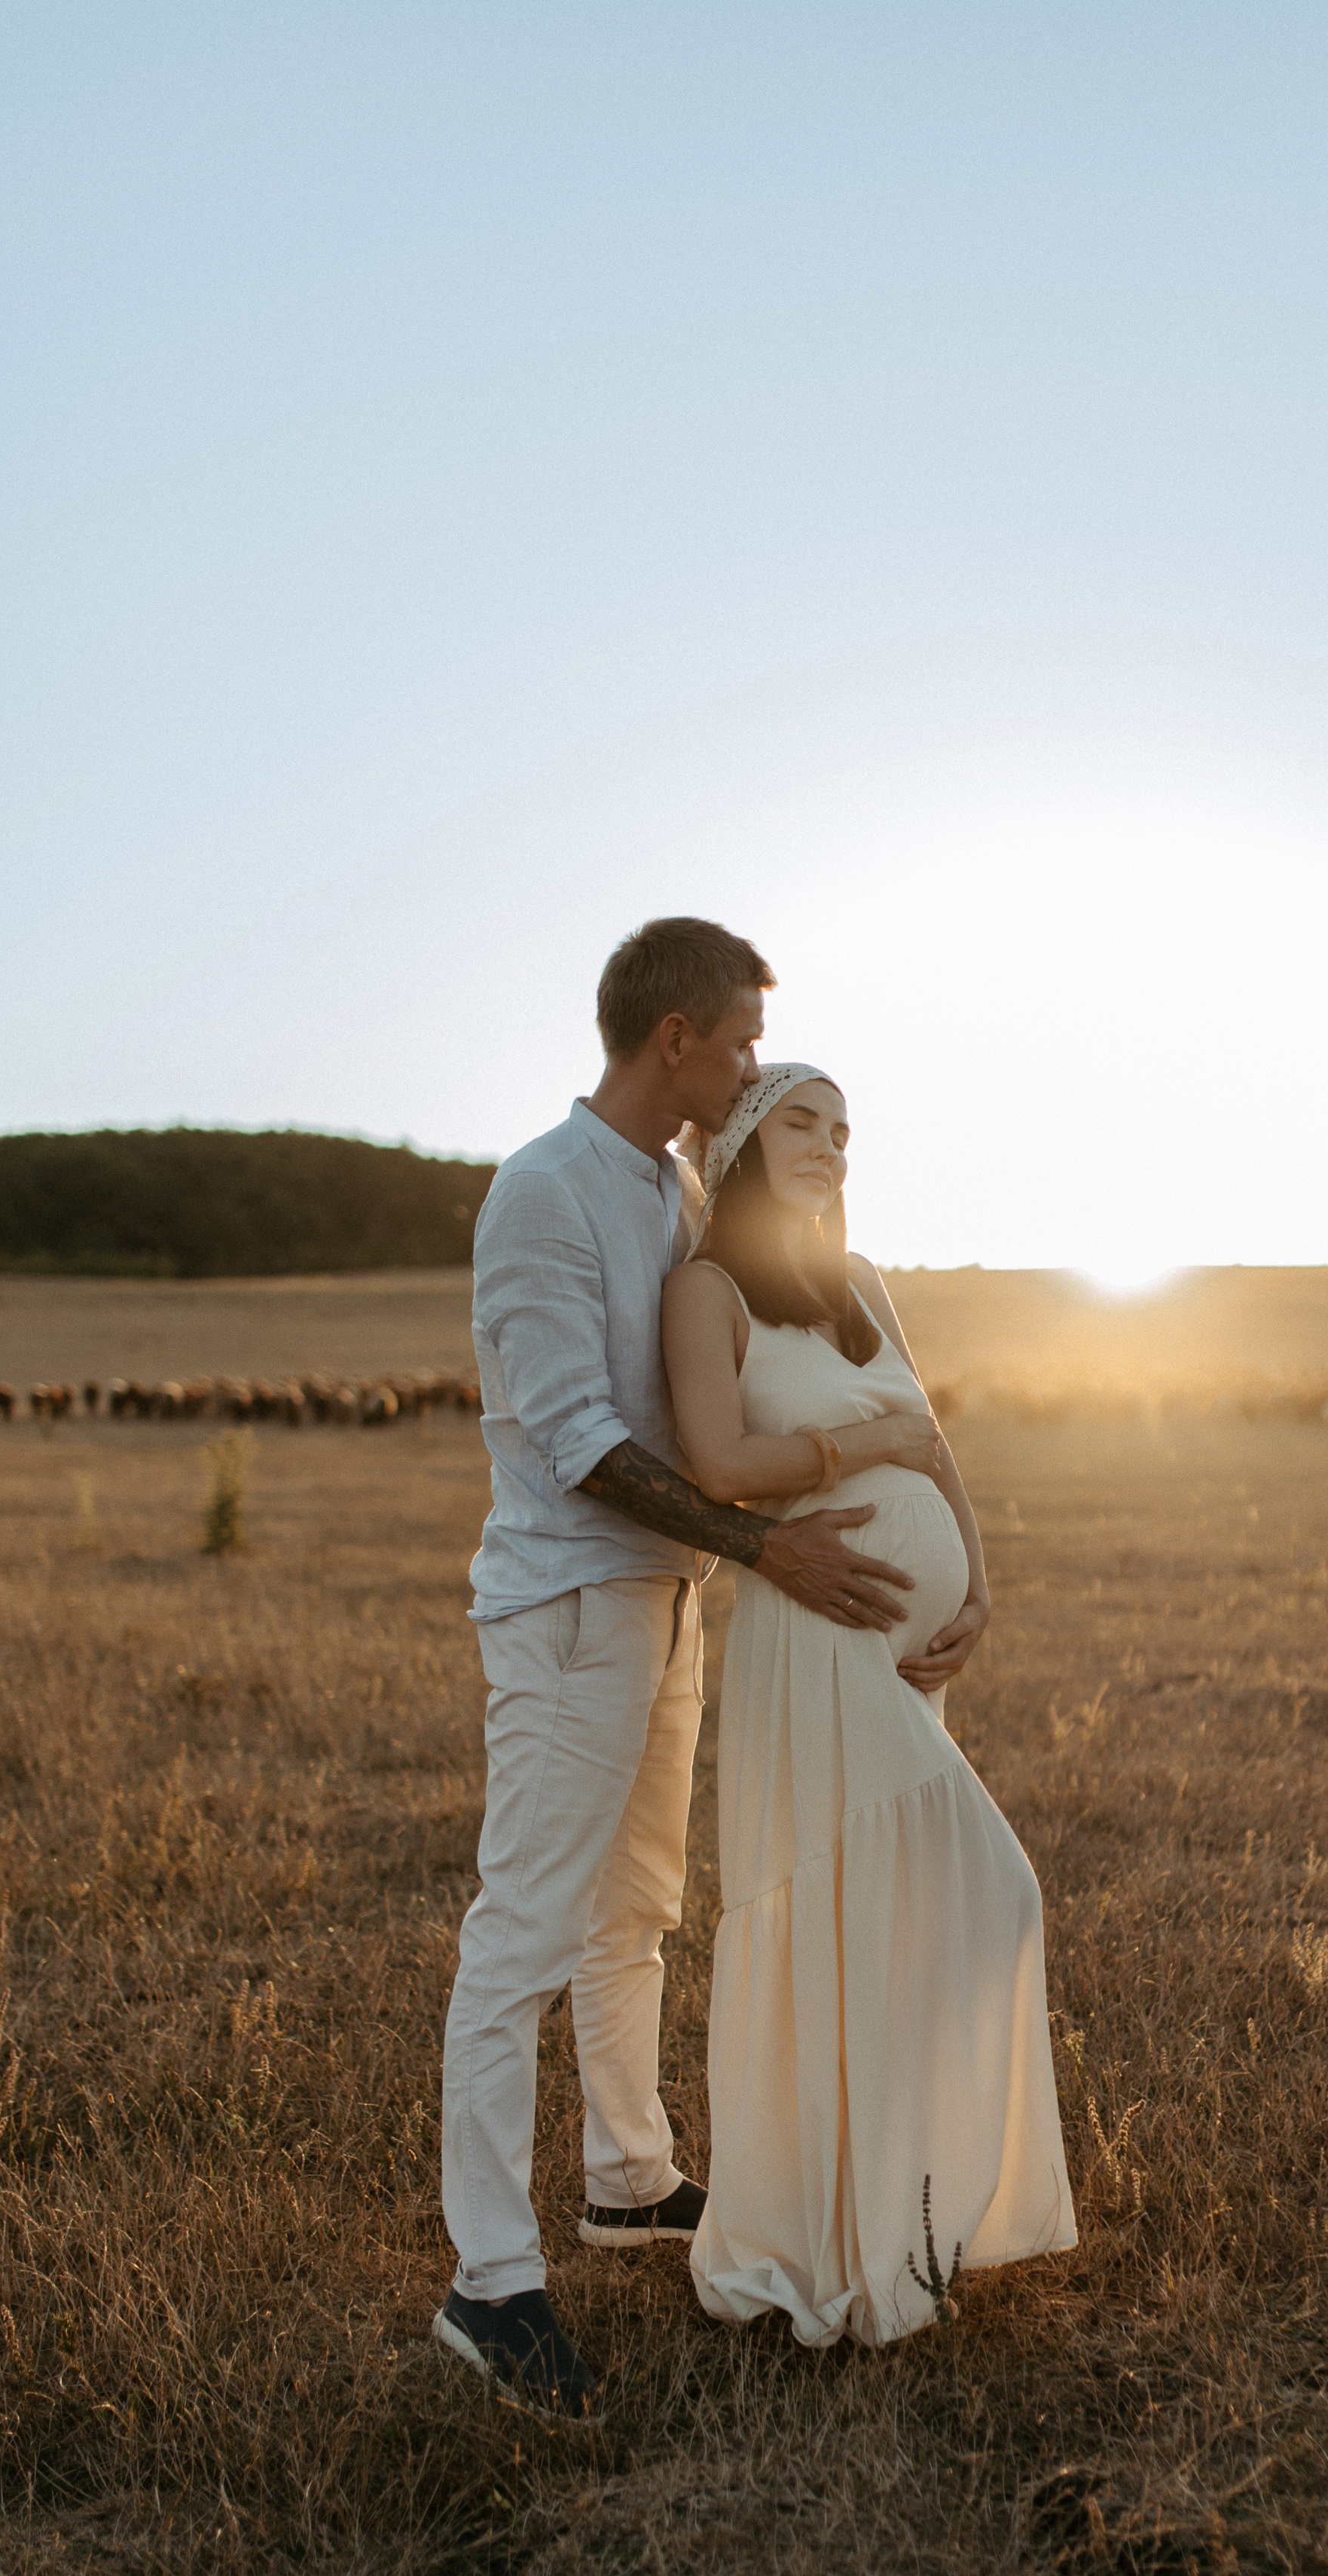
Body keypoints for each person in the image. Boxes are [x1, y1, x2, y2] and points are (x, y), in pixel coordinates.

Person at [434, 923, 917, 2419]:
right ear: (675, 1045)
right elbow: (577, 1442)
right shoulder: (543, 1192)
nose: (756, 1066)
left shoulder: (676, 1187)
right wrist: (764, 1546)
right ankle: (490, 2286)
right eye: (743, 1044)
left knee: (635, 1911)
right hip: (572, 1607)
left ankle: (629, 2179)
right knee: (521, 1929)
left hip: (661, 1603)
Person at [663, 1065, 1077, 2345]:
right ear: (738, 1142)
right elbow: (720, 1466)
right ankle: (824, 2238)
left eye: (845, 1133)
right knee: (987, 1892)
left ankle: (906, 2225)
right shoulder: (704, 1291)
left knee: (899, 1919)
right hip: (814, 1632)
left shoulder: (862, 1285)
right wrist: (859, 1455)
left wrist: (982, 1587)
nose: (832, 1148)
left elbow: (934, 1437)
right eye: (803, 1124)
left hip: (903, 1652)